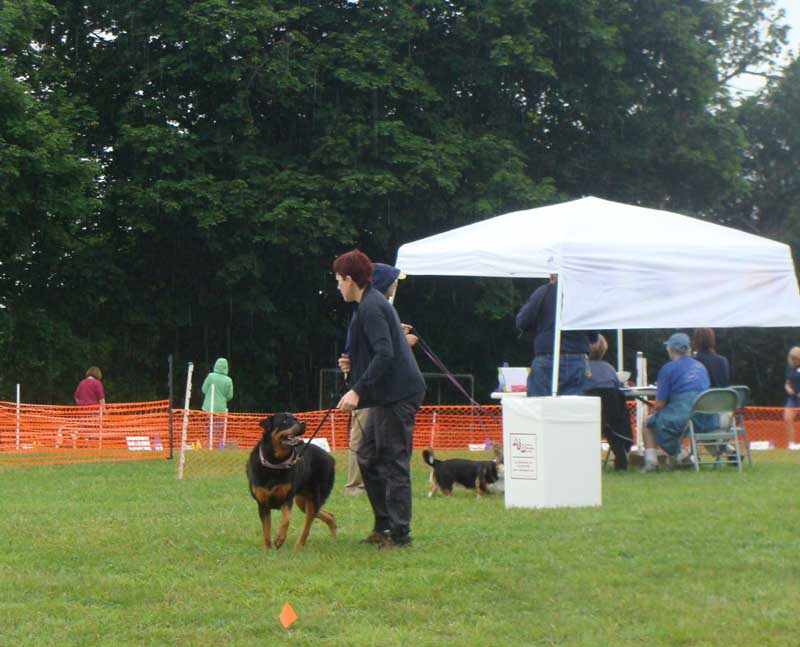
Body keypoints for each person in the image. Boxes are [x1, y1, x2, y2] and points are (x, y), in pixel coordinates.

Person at [333, 249, 426, 549]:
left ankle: (400, 535)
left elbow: (385, 353)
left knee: (392, 460)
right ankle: (383, 525)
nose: (337, 286)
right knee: (367, 456)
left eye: (338, 280)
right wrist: (352, 370)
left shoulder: (372, 306)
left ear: (350, 280)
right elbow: (375, 353)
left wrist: (357, 390)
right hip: (386, 395)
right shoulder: (366, 305)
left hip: (399, 394)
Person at [343, 262, 418, 497]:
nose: (397, 284)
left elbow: (383, 350)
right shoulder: (370, 308)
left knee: (376, 449)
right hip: (370, 388)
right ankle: (356, 486)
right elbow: (382, 352)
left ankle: (384, 512)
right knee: (364, 441)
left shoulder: (377, 307)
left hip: (379, 389)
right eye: (394, 280)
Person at [516, 275, 597, 396]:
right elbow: (593, 336)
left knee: (540, 410)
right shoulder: (582, 295)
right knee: (576, 410)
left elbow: (522, 322)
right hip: (577, 358)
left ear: (551, 276)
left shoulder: (541, 293)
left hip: (546, 357)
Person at [641, 332, 710, 472]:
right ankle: (681, 456)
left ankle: (653, 462)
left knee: (648, 423)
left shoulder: (668, 369)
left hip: (681, 415)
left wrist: (652, 410)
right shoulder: (701, 366)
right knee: (671, 421)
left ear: (670, 349)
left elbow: (660, 403)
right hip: (704, 418)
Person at [201, 358, 234, 446]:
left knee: (207, 429)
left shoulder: (210, 376)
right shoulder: (228, 380)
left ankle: (205, 445)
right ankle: (217, 446)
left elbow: (204, 390)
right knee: (217, 429)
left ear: (216, 365)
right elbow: (230, 396)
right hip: (220, 409)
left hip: (207, 407)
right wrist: (222, 399)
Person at [783, 346, 800, 450]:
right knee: (787, 418)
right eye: (792, 358)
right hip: (793, 398)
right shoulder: (789, 368)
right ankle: (791, 443)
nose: (793, 360)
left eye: (796, 358)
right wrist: (788, 388)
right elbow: (787, 383)